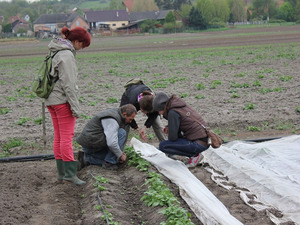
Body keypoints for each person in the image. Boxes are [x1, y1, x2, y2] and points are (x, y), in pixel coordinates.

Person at [45, 26, 91, 185]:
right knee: (66, 138)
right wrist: (75, 107)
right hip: (62, 101)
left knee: (58, 136)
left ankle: (62, 173)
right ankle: (70, 174)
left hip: (51, 100)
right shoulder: (66, 55)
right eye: (83, 45)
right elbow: (69, 85)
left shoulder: (55, 50)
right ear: (77, 41)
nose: (82, 48)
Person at [152, 92, 210, 168]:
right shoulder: (178, 106)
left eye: (159, 110)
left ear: (163, 107)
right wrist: (170, 127)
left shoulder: (172, 112)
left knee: (164, 146)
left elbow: (172, 138)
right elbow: (184, 123)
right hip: (204, 140)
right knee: (171, 143)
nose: (160, 113)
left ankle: (194, 156)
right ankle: (193, 154)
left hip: (198, 143)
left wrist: (170, 131)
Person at [76, 104, 137, 169]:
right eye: (130, 119)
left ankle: (86, 159)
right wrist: (120, 155)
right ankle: (109, 163)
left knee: (115, 157)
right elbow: (111, 143)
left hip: (95, 144)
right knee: (121, 133)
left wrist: (119, 153)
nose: (130, 122)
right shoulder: (112, 120)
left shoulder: (119, 114)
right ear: (124, 114)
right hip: (91, 145)